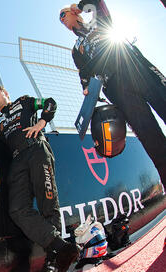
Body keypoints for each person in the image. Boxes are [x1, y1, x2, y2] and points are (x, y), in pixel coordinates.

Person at [59, 0, 166, 186]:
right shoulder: (77, 49)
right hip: (116, 87)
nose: (62, 21)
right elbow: (84, 73)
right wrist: (85, 87)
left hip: (134, 67)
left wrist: (81, 5)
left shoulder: (96, 21)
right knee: (149, 136)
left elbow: (97, 2)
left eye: (63, 15)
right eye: (60, 20)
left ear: (73, 12)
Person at [0, 85, 80, 272]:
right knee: (17, 209)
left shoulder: (24, 101)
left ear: (6, 94)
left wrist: (41, 123)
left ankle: (53, 263)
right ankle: (61, 247)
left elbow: (50, 102)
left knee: (48, 204)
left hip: (36, 149)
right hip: (17, 161)